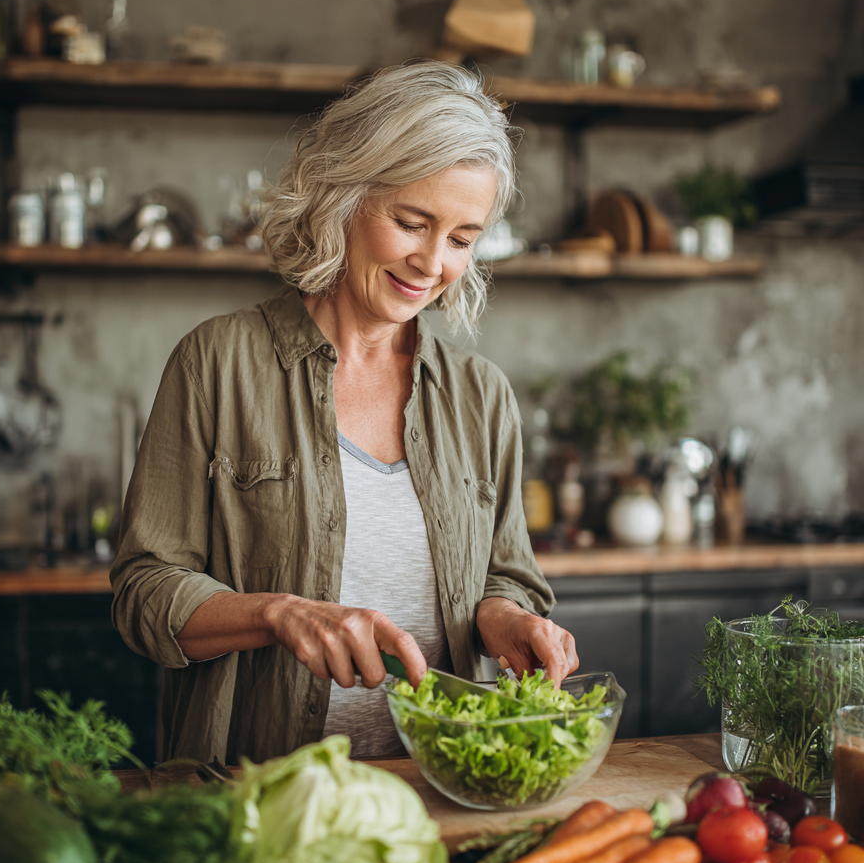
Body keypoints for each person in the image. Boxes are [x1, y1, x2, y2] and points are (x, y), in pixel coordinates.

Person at [111, 61, 578, 764]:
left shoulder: (481, 395)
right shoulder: (219, 363)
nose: (432, 263)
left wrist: (508, 618)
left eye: (461, 237)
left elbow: (503, 577)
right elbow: (145, 595)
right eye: (411, 222)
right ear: (344, 198)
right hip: (257, 793)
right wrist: (281, 613)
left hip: (439, 791)